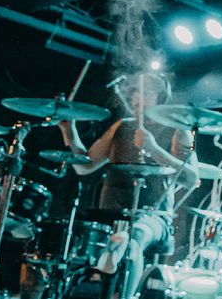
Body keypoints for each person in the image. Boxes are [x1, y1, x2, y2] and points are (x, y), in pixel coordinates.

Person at [58, 71, 198, 299]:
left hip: (155, 216)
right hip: (111, 214)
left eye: (145, 92)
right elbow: (84, 166)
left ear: (160, 97)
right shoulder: (121, 126)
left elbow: (191, 178)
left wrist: (154, 150)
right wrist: (69, 132)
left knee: (135, 237)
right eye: (133, 92)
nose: (136, 97)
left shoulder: (177, 128)